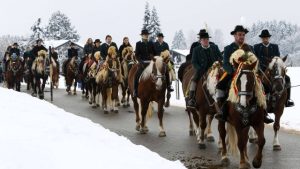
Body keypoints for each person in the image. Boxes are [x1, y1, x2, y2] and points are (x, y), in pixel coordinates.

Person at [214, 25, 273, 124]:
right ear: (235, 36)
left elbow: (255, 61)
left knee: (264, 87)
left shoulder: (249, 48)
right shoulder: (228, 48)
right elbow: (225, 63)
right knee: (220, 86)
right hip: (233, 73)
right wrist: (232, 71)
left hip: (249, 74)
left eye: (243, 35)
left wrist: (255, 70)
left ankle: (263, 112)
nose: (241, 37)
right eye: (239, 35)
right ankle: (222, 111)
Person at [254, 29, 294, 107]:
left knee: (287, 78)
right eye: (263, 38)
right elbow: (255, 59)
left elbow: (278, 59)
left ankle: (288, 99)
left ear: (269, 38)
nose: (265, 39)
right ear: (261, 38)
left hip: (274, 69)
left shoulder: (275, 47)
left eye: (266, 37)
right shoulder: (256, 47)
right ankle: (256, 100)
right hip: (261, 69)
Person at [186, 31, 222, 108]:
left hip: (214, 70)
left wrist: (219, 63)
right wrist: (199, 69)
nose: (206, 41)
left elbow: (220, 57)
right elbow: (194, 62)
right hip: (201, 70)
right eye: (204, 39)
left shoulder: (214, 47)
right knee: (194, 79)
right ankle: (191, 98)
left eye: (207, 39)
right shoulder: (196, 49)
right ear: (200, 41)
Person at [133, 29, 156, 97]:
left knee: (159, 74)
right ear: (142, 35)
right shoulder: (138, 43)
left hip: (151, 63)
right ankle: (135, 90)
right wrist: (140, 61)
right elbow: (136, 55)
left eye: (147, 35)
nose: (146, 36)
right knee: (137, 75)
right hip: (142, 63)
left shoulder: (151, 43)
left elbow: (155, 52)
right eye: (145, 35)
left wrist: (153, 56)